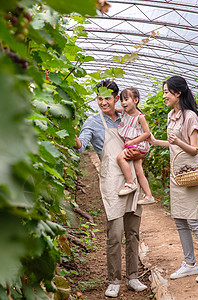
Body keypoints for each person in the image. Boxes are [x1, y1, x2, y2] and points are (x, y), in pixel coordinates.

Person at [75, 79, 148, 298]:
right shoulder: (93, 122)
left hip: (131, 179)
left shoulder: (129, 116)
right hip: (111, 182)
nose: (103, 102)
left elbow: (144, 143)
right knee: (114, 234)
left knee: (133, 232)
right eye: (99, 98)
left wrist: (140, 154)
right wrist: (71, 135)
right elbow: (80, 146)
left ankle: (133, 277)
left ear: (117, 98)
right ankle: (114, 280)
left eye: (107, 98)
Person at [149, 76, 198, 282]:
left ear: (178, 93)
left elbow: (194, 148)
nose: (164, 96)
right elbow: (173, 144)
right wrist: (155, 141)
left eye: (166, 92)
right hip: (176, 175)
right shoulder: (172, 115)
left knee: (195, 221)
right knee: (180, 220)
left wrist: (178, 141)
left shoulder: (190, 117)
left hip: (190, 175)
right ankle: (190, 264)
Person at [116, 87, 155, 205]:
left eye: (126, 99)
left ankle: (130, 183)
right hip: (135, 145)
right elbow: (115, 109)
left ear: (136, 100)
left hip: (138, 145)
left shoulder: (140, 117)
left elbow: (147, 133)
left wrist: (132, 142)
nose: (123, 103)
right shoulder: (124, 113)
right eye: (122, 100)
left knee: (120, 158)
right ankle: (149, 196)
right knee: (139, 171)